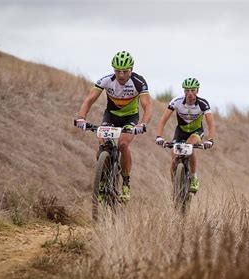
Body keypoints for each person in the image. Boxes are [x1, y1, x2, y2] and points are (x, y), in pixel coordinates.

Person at [75, 51, 153, 201]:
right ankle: (102, 176)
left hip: (130, 118)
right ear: (113, 70)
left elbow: (147, 105)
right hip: (110, 116)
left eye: (125, 71)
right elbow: (89, 99)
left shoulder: (139, 82)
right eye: (118, 71)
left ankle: (125, 182)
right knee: (102, 142)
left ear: (131, 69)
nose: (121, 75)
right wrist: (81, 118)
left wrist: (142, 124)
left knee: (123, 144)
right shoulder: (106, 80)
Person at [155, 77, 216, 193]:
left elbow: (211, 124)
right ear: (184, 91)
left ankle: (193, 178)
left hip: (196, 132)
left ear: (197, 90)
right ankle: (176, 187)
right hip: (180, 132)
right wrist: (159, 136)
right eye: (187, 90)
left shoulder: (203, 104)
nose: (190, 93)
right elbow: (163, 120)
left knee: (189, 146)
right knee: (173, 160)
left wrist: (210, 140)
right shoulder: (176, 101)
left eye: (193, 90)